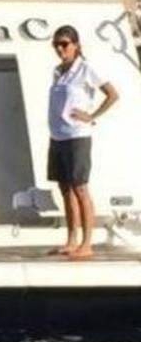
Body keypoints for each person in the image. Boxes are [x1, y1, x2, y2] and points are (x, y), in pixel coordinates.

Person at [47, 25, 118, 260]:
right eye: (56, 44)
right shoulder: (58, 71)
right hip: (58, 136)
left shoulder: (86, 68)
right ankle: (71, 240)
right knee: (65, 189)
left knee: (80, 188)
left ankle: (87, 244)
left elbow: (112, 94)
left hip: (77, 135)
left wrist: (92, 115)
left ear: (76, 45)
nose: (60, 48)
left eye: (64, 44)